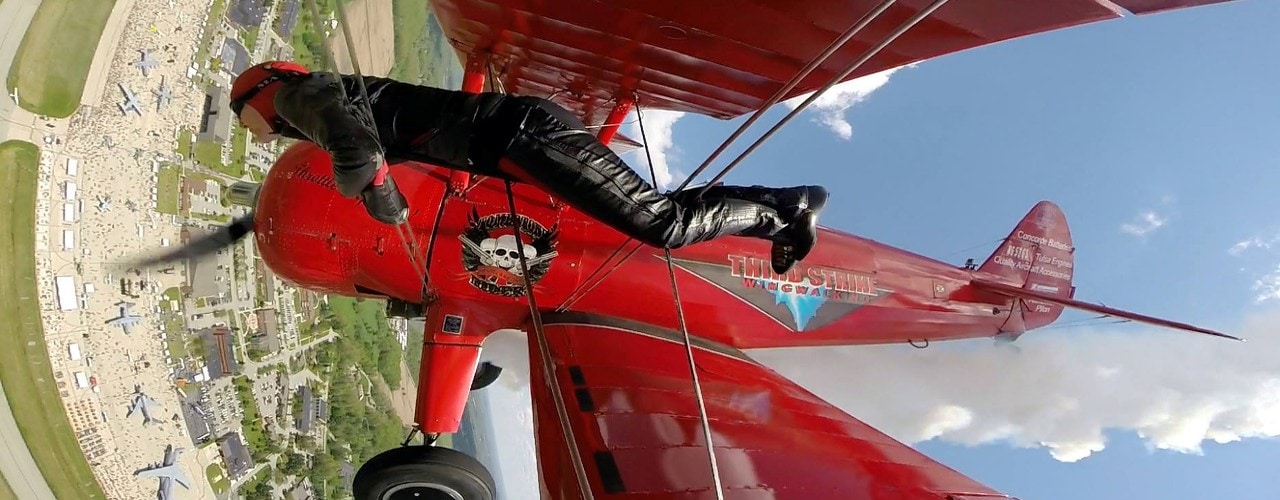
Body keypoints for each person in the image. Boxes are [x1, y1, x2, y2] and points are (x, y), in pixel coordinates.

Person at [228, 60, 828, 274]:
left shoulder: (295, 96)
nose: (250, 129)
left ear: (260, 91)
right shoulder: (313, 98)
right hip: (520, 140)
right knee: (661, 215)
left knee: (663, 225)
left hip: (525, 139)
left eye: (243, 116)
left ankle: (784, 213)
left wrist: (379, 195)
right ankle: (784, 206)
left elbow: (357, 149)